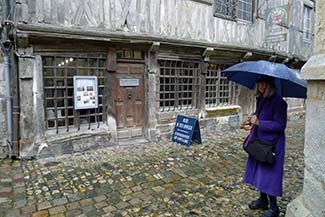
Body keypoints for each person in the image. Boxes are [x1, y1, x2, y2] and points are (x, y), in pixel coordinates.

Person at [243, 75, 288, 217]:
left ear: (270, 86)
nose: (261, 87)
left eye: (264, 85)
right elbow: (259, 116)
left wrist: (260, 123)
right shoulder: (261, 99)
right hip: (260, 141)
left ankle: (274, 208)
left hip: (272, 144)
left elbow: (280, 125)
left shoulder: (279, 102)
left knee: (270, 174)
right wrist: (252, 118)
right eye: (259, 84)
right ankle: (263, 200)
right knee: (260, 171)